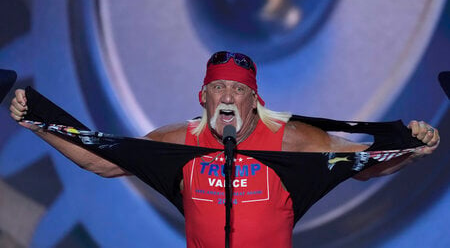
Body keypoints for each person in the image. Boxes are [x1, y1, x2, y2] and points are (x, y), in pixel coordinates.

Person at [9, 51, 440, 247]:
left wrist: (410, 151)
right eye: (219, 88)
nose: (228, 96)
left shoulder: (295, 141)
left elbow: (364, 164)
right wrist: (35, 121)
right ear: (203, 97)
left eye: (239, 89)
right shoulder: (177, 142)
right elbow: (99, 160)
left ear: (256, 100)